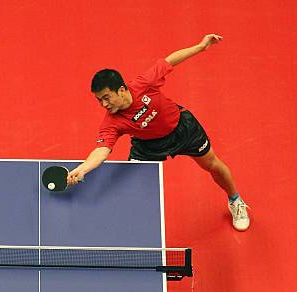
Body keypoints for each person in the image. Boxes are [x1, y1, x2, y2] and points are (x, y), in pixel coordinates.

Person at [67, 34, 250, 231]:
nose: (104, 104)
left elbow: (169, 61)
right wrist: (83, 168)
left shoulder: (143, 84)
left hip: (183, 129)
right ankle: (137, 225)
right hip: (149, 146)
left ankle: (236, 201)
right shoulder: (112, 121)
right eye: (99, 100)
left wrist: (200, 46)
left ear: (121, 90)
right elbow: (102, 149)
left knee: (213, 165)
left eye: (106, 97)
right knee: (132, 180)